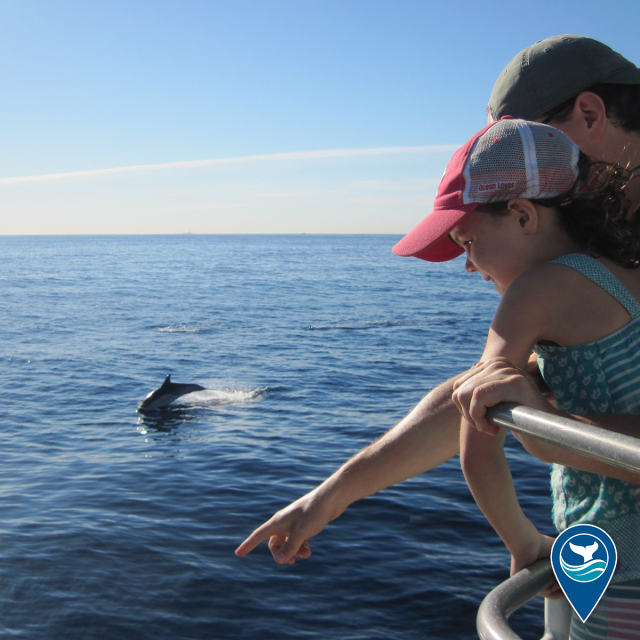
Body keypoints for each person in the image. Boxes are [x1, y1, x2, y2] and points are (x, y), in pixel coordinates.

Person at [235, 35, 640, 568]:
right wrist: (331, 496)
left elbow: (487, 408)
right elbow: (470, 397)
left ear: (589, 113)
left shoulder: (556, 277)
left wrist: (550, 440)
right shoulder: (607, 256)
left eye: (538, 136)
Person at [402, 116, 640, 637]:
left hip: (611, 551)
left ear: (521, 215)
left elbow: (478, 424)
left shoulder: (534, 292)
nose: (467, 266)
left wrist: (523, 543)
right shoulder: (625, 267)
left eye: (467, 242)